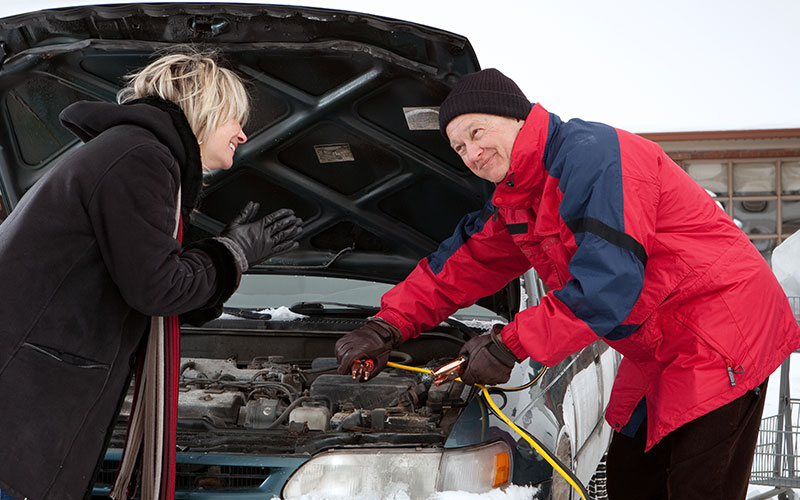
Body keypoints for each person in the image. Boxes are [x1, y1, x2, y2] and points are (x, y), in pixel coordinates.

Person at [335, 68, 800, 499]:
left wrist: (508, 345)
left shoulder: (593, 158)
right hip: (656, 340)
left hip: (720, 330)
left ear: (516, 117)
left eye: (477, 132)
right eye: (458, 147)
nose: (472, 153)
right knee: (631, 482)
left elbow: (608, 284)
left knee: (695, 488)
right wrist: (387, 327)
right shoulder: (520, 196)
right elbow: (461, 263)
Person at [0, 48, 302, 500]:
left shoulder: (131, 152)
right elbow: (158, 289)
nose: (242, 133)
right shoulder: (140, 157)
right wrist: (232, 253)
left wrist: (225, 256)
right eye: (234, 118)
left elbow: (149, 273)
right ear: (206, 109)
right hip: (25, 403)